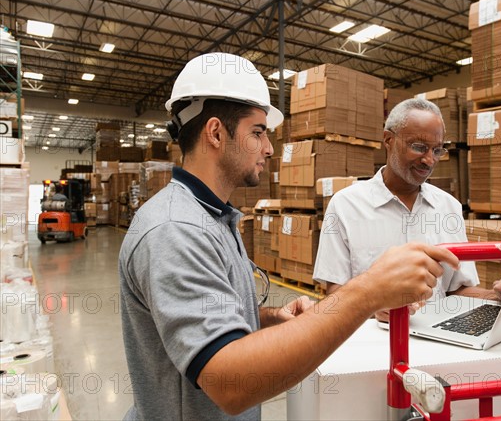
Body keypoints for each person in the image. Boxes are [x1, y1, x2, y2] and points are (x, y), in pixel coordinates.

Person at [118, 53, 461, 420]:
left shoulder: (213, 218)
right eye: (258, 132)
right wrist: (371, 290)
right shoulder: (176, 230)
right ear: (216, 133)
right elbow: (232, 383)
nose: (268, 148)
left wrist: (266, 318)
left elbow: (211, 314)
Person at [313, 98, 501, 319]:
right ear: (388, 139)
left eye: (437, 150)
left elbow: (456, 291)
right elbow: (334, 295)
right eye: (419, 147)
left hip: (438, 343)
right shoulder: (346, 206)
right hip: (375, 344)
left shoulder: (448, 207)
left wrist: (498, 297)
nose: (429, 160)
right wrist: (374, 306)